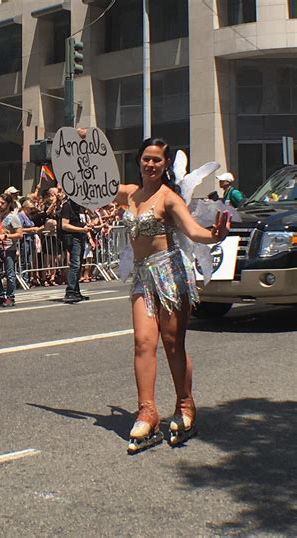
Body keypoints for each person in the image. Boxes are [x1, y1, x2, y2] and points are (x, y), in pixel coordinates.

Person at [113, 137, 231, 454]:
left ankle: (185, 404)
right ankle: (147, 411)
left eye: (157, 160)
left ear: (165, 165)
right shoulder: (128, 193)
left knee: (171, 342)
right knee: (142, 342)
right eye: (146, 158)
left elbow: (193, 231)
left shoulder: (169, 198)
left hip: (170, 274)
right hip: (142, 276)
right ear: (138, 161)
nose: (151, 164)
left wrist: (214, 235)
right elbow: (91, 190)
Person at [0, 193, 23, 307]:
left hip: (9, 248)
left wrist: (7, 236)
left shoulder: (13, 217)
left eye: (2, 203)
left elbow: (20, 234)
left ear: (9, 204)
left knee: (10, 273)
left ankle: (10, 297)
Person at [61, 198, 91, 303]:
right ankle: (70, 291)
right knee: (75, 264)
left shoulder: (80, 207)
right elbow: (64, 225)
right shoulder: (67, 206)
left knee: (79, 265)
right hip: (73, 238)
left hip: (81, 237)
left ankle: (76, 291)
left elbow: (81, 222)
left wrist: (86, 231)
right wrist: (81, 230)